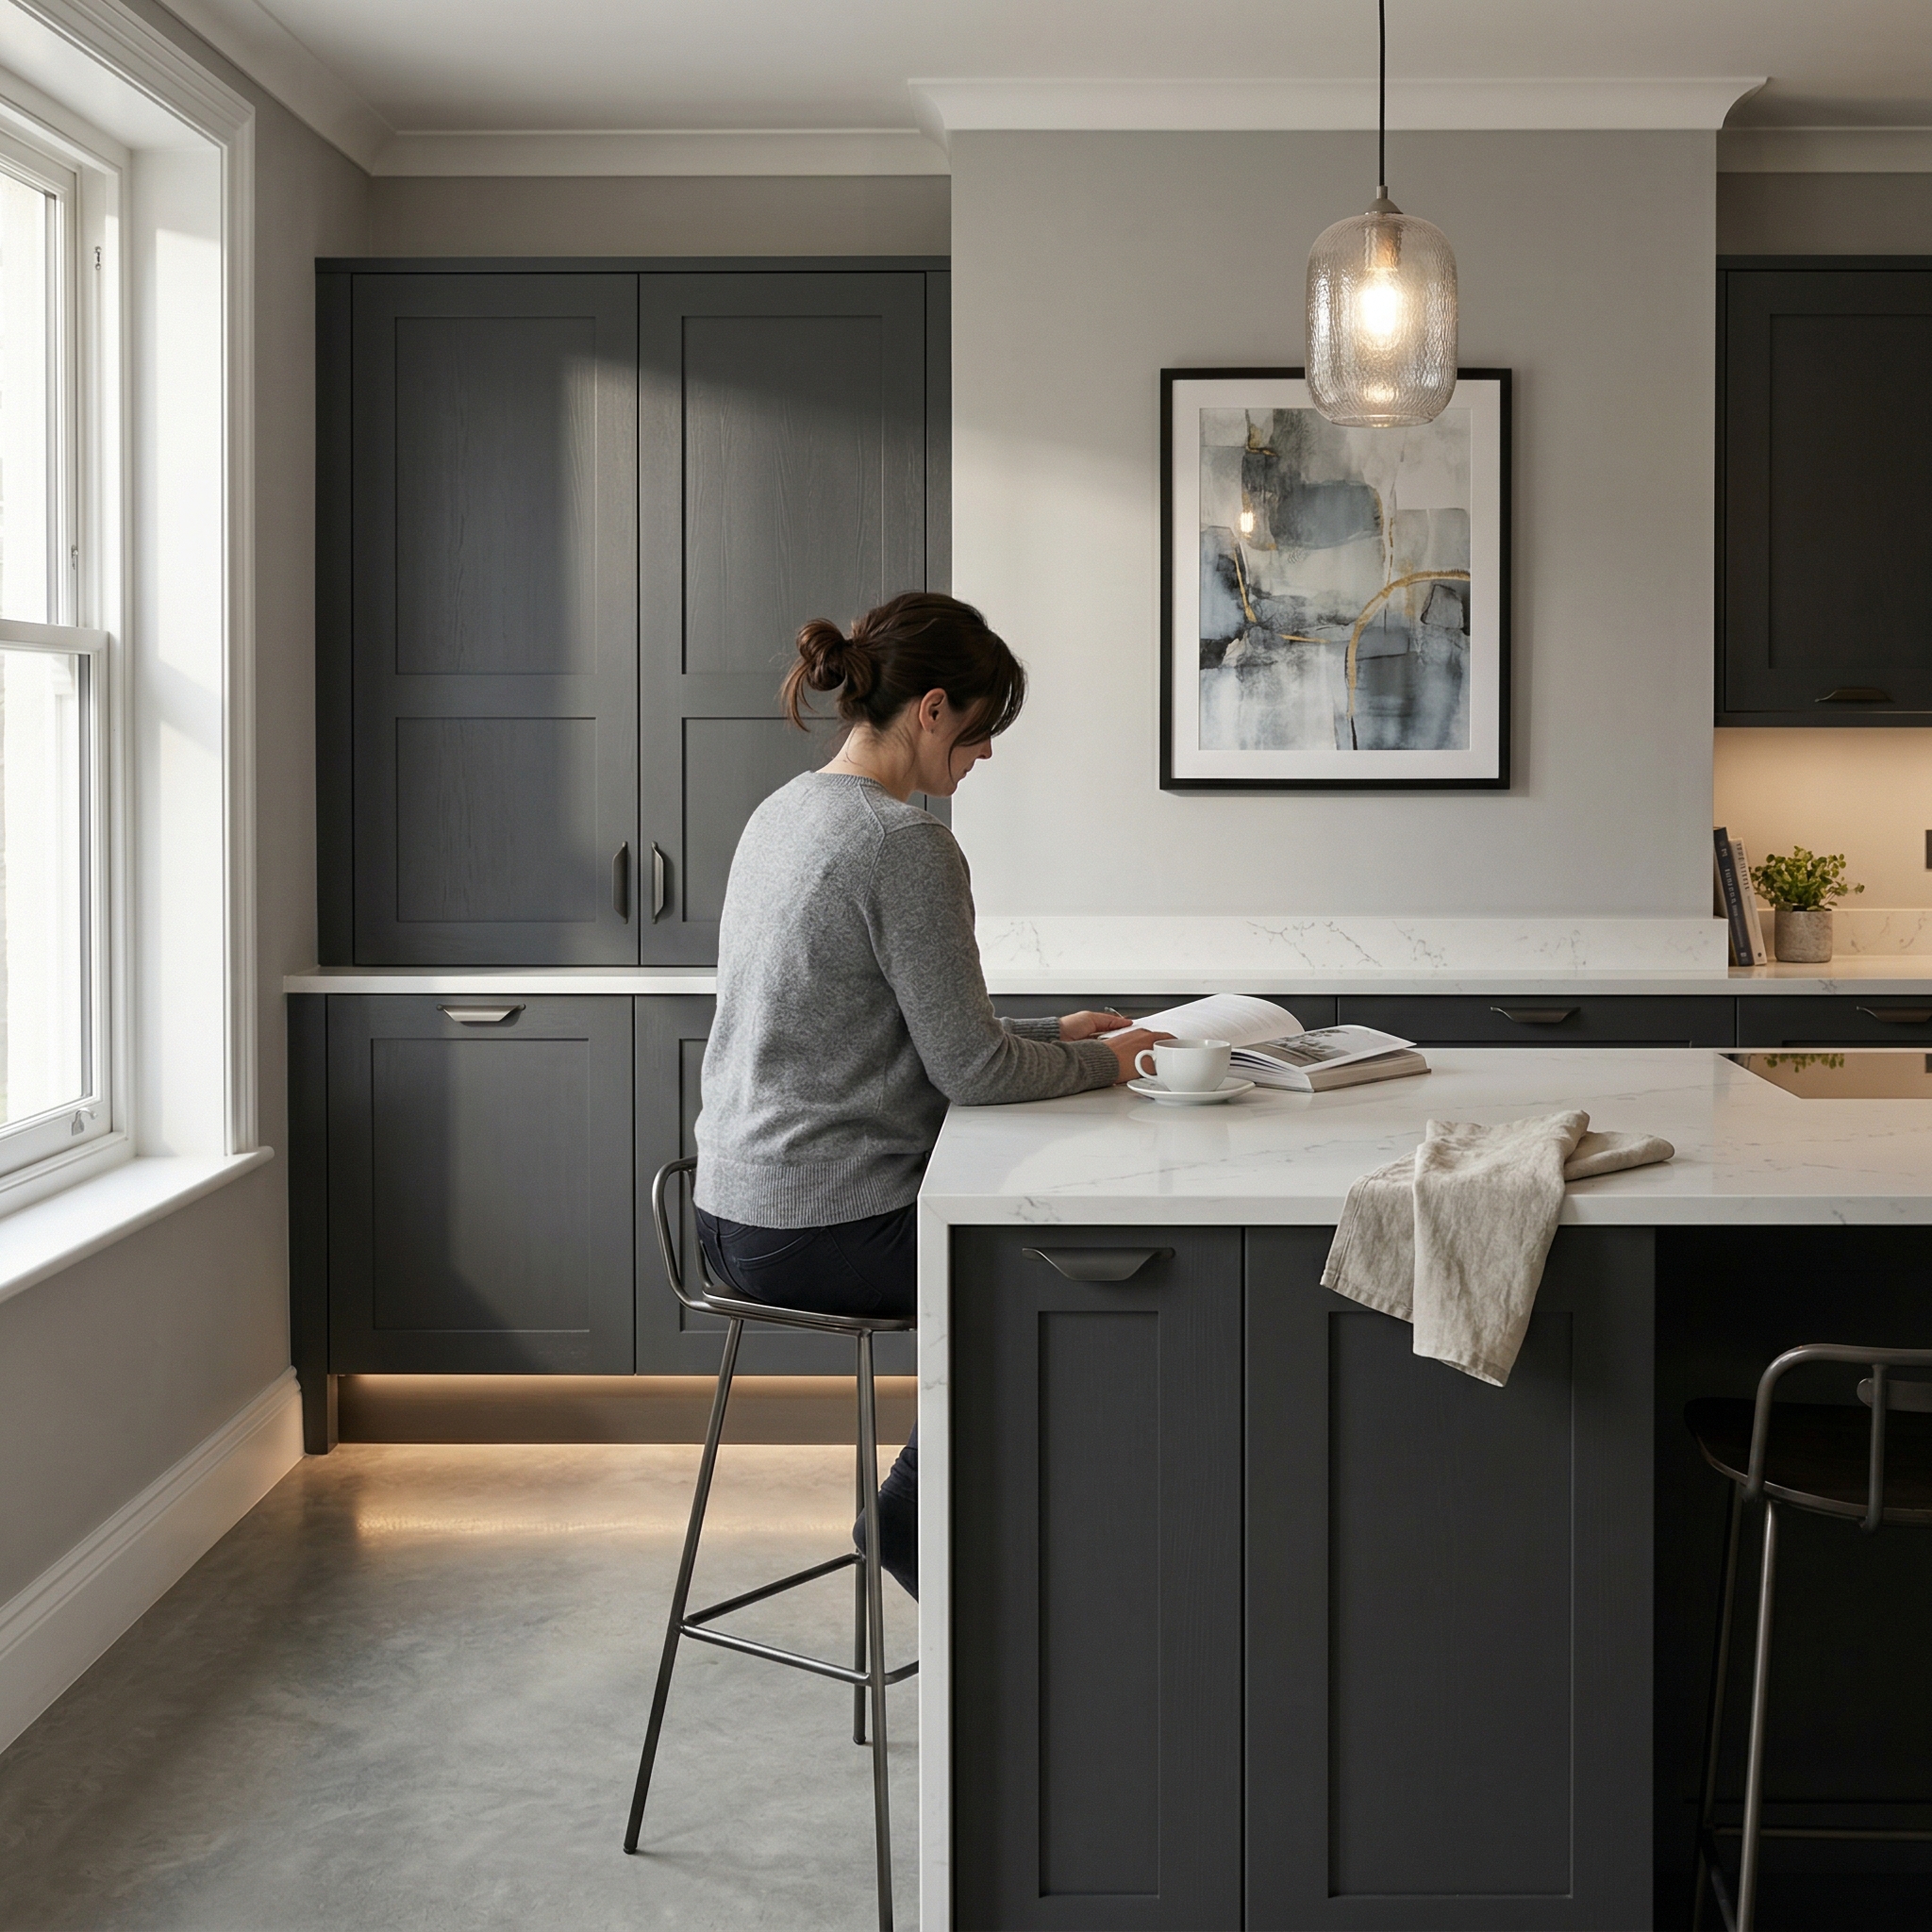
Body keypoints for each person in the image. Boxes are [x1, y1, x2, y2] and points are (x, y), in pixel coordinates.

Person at [691, 591, 1165, 1597]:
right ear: (935, 708)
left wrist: (1060, 1035)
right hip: (827, 1223)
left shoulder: (784, 812)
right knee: (1060, 1280)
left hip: (734, 1212)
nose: (985, 754)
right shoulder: (903, 844)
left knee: (1044, 1263)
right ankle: (920, 1521)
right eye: (984, 727)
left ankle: (981, 1539)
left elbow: (897, 1034)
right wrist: (1113, 1064)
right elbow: (972, 1072)